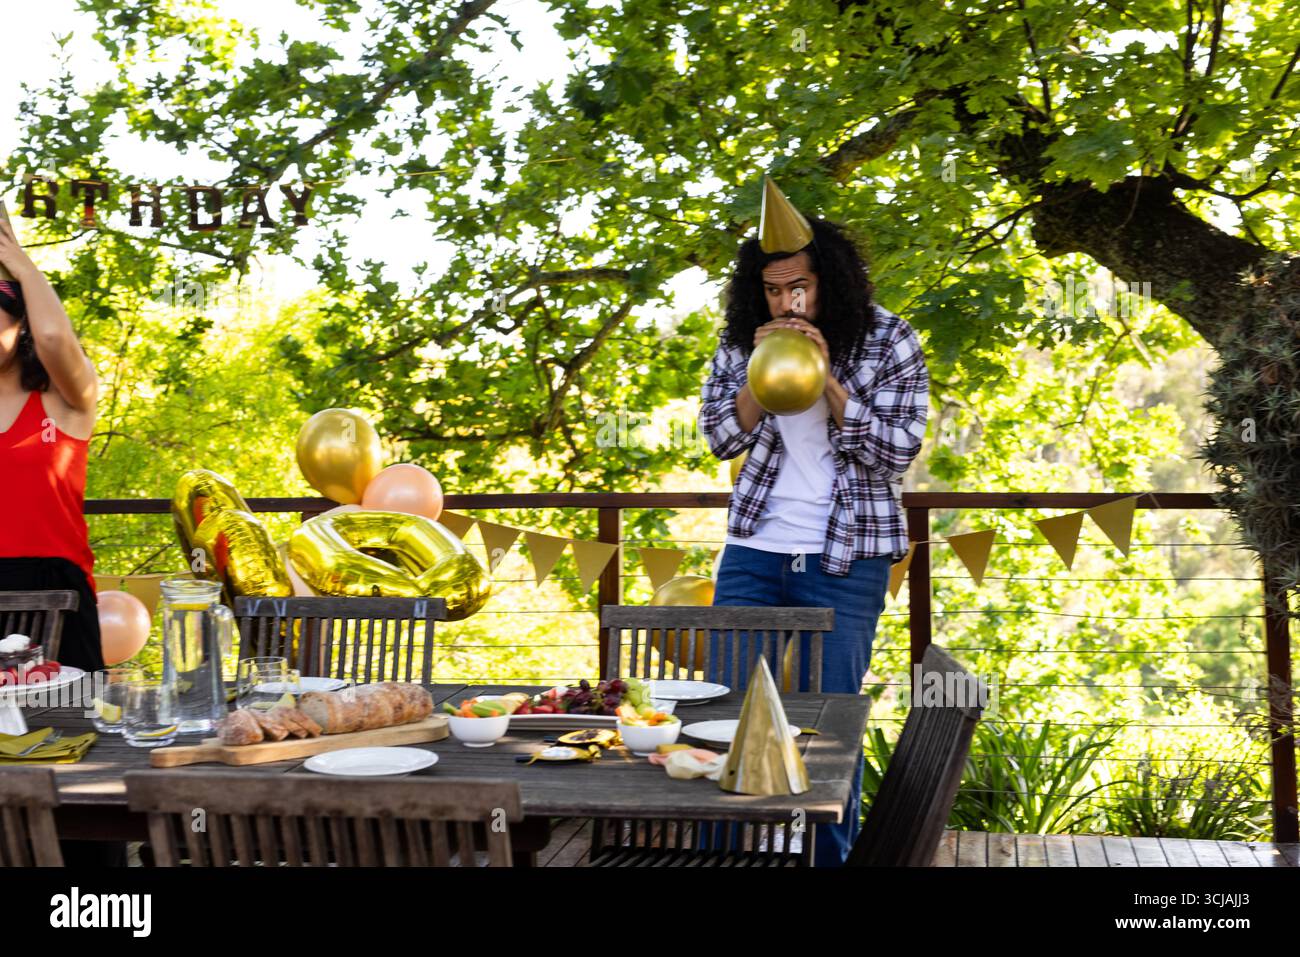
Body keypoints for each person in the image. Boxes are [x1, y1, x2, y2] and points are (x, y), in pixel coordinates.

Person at [698, 177, 929, 866]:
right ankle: (720, 856)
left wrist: (826, 378)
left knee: (831, 724)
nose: (786, 302)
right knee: (727, 715)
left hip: (848, 555)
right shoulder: (741, 341)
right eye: (772, 290)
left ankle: (828, 859)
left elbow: (897, 451)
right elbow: (719, 437)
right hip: (755, 549)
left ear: (830, 280)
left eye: (798, 286)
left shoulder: (889, 338)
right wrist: (762, 371)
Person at [0, 201, 105, 675]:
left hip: (56, 596)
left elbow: (55, 340)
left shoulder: (65, 399)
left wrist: (20, 264)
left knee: (66, 719)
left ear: (21, 321)